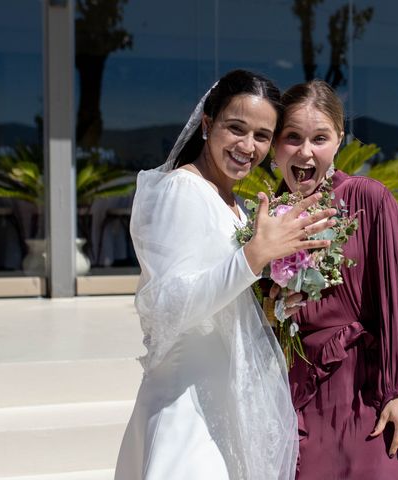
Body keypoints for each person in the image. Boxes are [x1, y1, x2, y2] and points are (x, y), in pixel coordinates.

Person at [114, 70, 337, 480]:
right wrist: (254, 258)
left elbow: (225, 298)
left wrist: (270, 307)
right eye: (236, 128)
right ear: (206, 124)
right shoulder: (181, 190)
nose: (247, 146)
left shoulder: (239, 207)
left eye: (262, 136)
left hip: (231, 403)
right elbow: (167, 307)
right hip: (189, 405)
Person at [270, 80, 398, 479]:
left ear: (339, 140)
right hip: (298, 399)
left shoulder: (369, 199)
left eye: (319, 137)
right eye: (292, 137)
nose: (305, 151)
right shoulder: (265, 219)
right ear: (276, 144)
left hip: (367, 397)